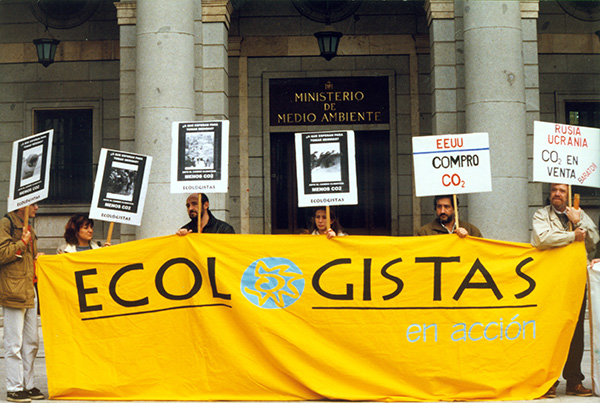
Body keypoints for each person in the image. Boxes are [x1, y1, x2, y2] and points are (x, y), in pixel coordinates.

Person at [531, 183, 599, 398]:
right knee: (550, 330)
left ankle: (574, 380)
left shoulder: (580, 214)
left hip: (575, 280)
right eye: (553, 190)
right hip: (551, 281)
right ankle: (548, 381)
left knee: (575, 331)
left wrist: (578, 222)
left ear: (568, 194)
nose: (557, 194)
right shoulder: (541, 214)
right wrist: (571, 236)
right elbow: (541, 239)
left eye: (561, 190)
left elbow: (594, 241)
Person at [0, 204, 45, 402]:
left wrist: (36, 258)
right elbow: (2, 254)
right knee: (14, 342)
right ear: (22, 206)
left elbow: (25, 257)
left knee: (31, 341)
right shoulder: (6, 223)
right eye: (33, 203)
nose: (37, 207)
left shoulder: (29, 227)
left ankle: (28, 384)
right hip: (13, 290)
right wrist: (22, 243)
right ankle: (14, 387)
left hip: (29, 289)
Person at [415, 195, 482, 238]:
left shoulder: (471, 230)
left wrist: (467, 238)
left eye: (446, 207)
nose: (442, 211)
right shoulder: (424, 232)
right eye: (439, 207)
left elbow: (481, 253)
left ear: (455, 209)